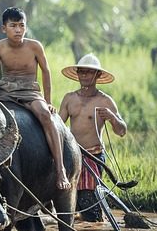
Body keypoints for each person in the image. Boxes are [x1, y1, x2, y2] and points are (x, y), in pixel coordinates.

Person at [0, 7, 71, 190]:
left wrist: (48, 100)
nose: (18, 30)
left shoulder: (34, 46)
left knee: (46, 116)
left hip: (29, 91)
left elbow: (46, 72)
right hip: (5, 90)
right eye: (13, 26)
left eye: (22, 25)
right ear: (3, 28)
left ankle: (60, 170)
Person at [58, 53, 127, 222]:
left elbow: (122, 131)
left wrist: (112, 117)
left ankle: (94, 221)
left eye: (89, 72)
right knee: (67, 202)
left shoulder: (104, 101)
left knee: (89, 204)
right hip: (72, 156)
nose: (84, 76)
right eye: (81, 72)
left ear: (97, 75)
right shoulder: (69, 98)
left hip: (93, 156)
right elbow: (58, 127)